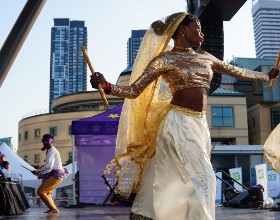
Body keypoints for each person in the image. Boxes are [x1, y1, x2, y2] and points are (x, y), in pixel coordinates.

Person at [90, 12, 279, 220]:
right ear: (183, 30)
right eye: (198, 28)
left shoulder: (205, 56)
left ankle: (149, 213)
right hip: (178, 124)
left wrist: (265, 76)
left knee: (178, 180)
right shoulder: (165, 59)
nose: (203, 34)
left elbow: (234, 70)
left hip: (199, 125)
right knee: (206, 177)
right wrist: (107, 86)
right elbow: (135, 90)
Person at [32, 134, 69, 214]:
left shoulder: (51, 151)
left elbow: (49, 167)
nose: (45, 143)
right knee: (47, 192)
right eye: (43, 141)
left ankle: (54, 209)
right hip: (56, 175)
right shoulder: (51, 150)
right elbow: (50, 166)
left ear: (51, 141)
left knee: (41, 191)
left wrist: (38, 170)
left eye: (46, 141)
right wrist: (39, 167)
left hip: (56, 175)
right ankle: (53, 209)